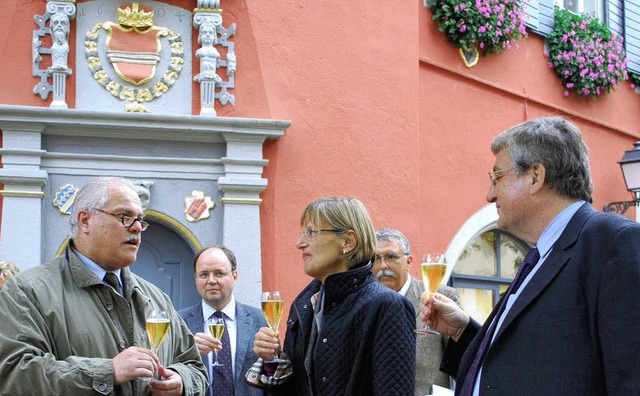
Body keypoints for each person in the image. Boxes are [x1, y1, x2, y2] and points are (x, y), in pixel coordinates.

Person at [420, 116, 640, 395]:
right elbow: (531, 361)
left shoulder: (613, 242)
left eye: (497, 177)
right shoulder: (538, 255)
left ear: (536, 176)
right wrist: (463, 330)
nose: (489, 194)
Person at [0, 176, 208, 395]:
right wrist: (107, 371)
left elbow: (195, 367)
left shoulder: (157, 297)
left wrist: (181, 381)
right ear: (85, 220)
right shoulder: (26, 291)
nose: (137, 227)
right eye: (124, 217)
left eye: (140, 220)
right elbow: (13, 374)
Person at [248, 196, 416, 395]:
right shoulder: (304, 304)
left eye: (311, 232)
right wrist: (271, 359)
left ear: (348, 241)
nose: (299, 243)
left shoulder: (388, 306)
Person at [374, 228, 461, 395]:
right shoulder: (366, 305)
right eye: (376, 259)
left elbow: (463, 360)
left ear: (409, 262)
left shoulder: (441, 297)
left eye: (391, 257)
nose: (382, 265)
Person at [180, 245, 267, 396]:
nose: (211, 280)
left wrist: (273, 358)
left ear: (234, 277)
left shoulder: (259, 320)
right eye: (204, 274)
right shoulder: (179, 322)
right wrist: (187, 350)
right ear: (196, 279)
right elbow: (165, 369)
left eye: (219, 273)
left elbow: (274, 375)